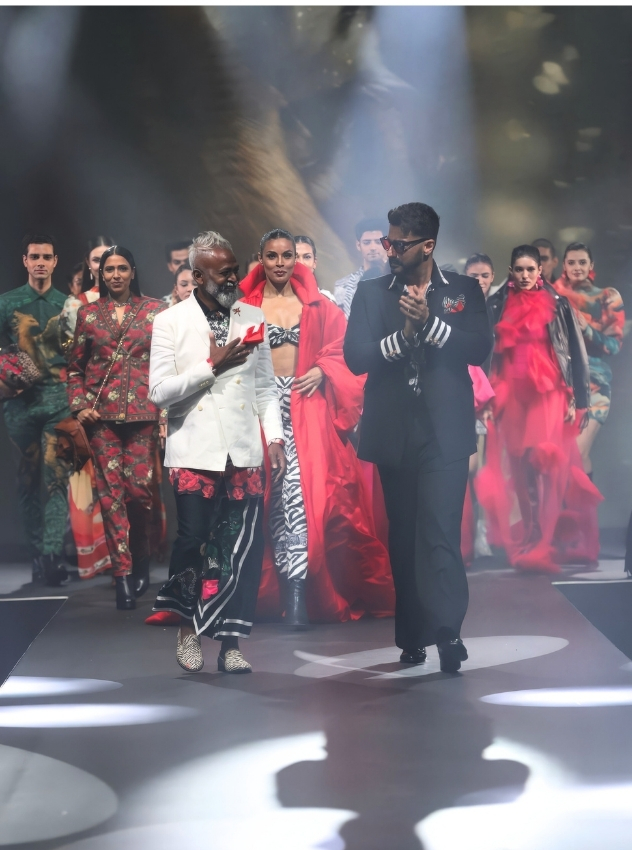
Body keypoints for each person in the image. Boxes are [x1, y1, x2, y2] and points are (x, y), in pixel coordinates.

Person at [344, 202, 493, 673]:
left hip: (444, 430)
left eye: (398, 244)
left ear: (427, 246)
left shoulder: (462, 289)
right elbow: (356, 357)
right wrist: (406, 334)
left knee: (440, 530)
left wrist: (430, 325)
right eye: (387, 242)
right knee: (405, 535)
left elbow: (479, 347)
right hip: (394, 431)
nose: (389, 250)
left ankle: (448, 631)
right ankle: (412, 636)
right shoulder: (371, 293)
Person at [240, 228, 395, 628]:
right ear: (261, 258)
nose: (279, 263)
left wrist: (323, 369)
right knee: (269, 501)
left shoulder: (318, 305)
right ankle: (271, 593)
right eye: (272, 256)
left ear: (296, 259)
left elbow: (346, 350)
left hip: (306, 409)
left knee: (301, 498)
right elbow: (233, 363)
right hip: (261, 410)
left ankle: (297, 597)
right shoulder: (244, 307)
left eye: (286, 256)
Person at [148, 231, 286, 673]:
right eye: (224, 272)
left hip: (243, 450)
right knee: (192, 541)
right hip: (195, 449)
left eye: (234, 270)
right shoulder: (170, 321)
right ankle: (187, 629)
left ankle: (231, 643)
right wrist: (212, 366)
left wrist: (275, 438)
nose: (233, 279)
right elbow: (158, 392)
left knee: (240, 547)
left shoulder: (251, 315)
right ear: (197, 275)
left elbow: (265, 388)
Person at [478, 245, 602, 572]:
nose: (524, 275)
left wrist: (580, 399)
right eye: (519, 269)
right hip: (511, 391)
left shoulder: (558, 304)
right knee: (520, 467)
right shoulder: (497, 303)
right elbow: (487, 354)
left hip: (548, 390)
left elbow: (574, 351)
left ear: (540, 271)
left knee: (545, 463)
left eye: (530, 269)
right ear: (511, 270)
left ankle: (545, 539)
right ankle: (532, 537)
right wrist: (485, 396)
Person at [67, 246, 166, 609]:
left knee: (138, 494)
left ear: (133, 271)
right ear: (101, 274)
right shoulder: (89, 313)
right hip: (101, 419)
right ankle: (122, 574)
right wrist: (80, 406)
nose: (115, 275)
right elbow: (75, 368)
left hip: (143, 416)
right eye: (109, 269)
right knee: (110, 498)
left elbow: (168, 365)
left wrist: (165, 415)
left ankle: (140, 555)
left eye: (122, 268)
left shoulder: (156, 310)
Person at [0, 234, 72, 586]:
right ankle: (36, 554)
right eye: (34, 257)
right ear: (25, 261)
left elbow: (80, 353)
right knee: (27, 481)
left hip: (58, 400)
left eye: (46, 256)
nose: (40, 262)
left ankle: (52, 554)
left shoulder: (68, 305)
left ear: (55, 261)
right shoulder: (8, 303)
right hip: (19, 404)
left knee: (57, 478)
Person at [554, 242, 625, 476]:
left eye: (582, 262)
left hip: (594, 384)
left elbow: (614, 346)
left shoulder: (607, 297)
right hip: (559, 384)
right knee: (560, 456)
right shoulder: (553, 296)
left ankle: (582, 501)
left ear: (591, 265)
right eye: (572, 262)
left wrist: (587, 329)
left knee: (577, 452)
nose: (577, 267)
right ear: (564, 265)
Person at [60, 236, 114, 342]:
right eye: (96, 260)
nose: (102, 265)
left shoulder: (134, 298)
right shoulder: (75, 304)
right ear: (88, 262)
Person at [334, 217, 389, 318]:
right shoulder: (343, 286)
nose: (373, 248)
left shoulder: (399, 281)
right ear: (358, 245)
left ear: (387, 244)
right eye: (367, 242)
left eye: (378, 242)